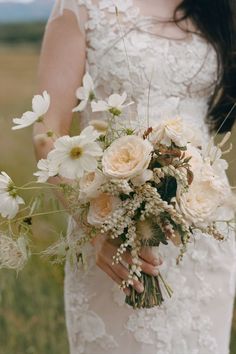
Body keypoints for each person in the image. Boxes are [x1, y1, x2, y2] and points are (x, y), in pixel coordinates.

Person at [33, 0, 236, 353]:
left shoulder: (216, 7)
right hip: (112, 228)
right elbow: (48, 131)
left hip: (204, 237)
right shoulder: (81, 7)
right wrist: (95, 232)